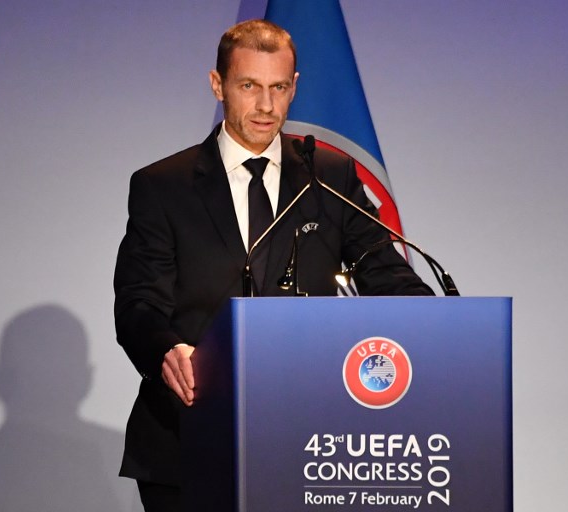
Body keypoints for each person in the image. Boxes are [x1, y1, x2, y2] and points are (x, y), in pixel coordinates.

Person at [114, 19, 432, 511]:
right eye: (249, 86)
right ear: (218, 85)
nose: (266, 106)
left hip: (308, 440)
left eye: (279, 88)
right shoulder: (163, 185)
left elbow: (387, 274)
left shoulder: (328, 175)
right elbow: (139, 302)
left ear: (295, 87)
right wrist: (165, 349)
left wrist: (446, 331)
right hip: (189, 435)